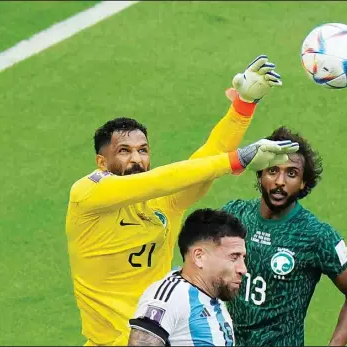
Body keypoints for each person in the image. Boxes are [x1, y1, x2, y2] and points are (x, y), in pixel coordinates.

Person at [65, 55, 297, 346]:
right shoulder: (87, 195)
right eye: (124, 151)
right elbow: (163, 179)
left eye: (143, 150)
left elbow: (202, 162)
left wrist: (243, 107)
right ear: (102, 161)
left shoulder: (163, 202)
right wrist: (238, 160)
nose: (137, 158)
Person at [222, 126, 347, 347]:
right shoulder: (234, 216)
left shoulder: (317, 235)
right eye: (273, 171)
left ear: (303, 184)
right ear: (261, 174)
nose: (280, 181)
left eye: (291, 173)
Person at [127, 208, 247, 346]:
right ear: (199, 256)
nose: (243, 269)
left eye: (243, 258)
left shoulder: (212, 296)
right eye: (234, 257)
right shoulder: (171, 297)